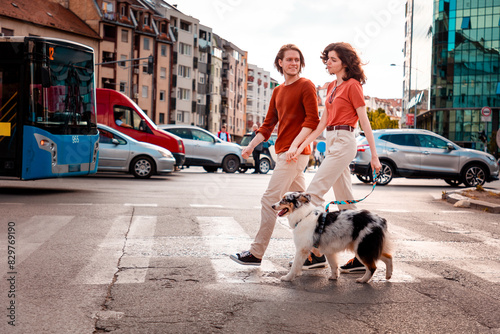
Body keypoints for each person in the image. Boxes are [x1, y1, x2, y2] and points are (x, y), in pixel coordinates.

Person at [291, 42, 382, 272]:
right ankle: (362, 257)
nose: (328, 63)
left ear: (344, 61)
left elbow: (364, 121)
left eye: (333, 59)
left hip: (344, 140)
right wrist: (301, 144)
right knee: (346, 202)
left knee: (314, 192)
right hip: (330, 141)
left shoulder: (353, 86)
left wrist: (374, 155)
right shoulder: (331, 87)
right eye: (327, 59)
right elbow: (322, 123)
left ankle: (315, 252)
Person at [230, 44, 320, 266]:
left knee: (269, 200)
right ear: (280, 62)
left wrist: (296, 146)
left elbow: (312, 121)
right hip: (284, 153)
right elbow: (268, 124)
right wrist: (251, 146)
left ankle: (256, 253)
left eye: (297, 60)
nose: (293, 63)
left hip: (295, 154)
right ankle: (317, 254)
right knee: (305, 205)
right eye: (289, 59)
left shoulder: (306, 85)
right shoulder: (278, 91)